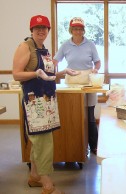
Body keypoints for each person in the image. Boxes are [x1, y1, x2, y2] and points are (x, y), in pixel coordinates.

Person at [12, 15, 67, 194]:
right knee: (43, 141)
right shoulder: (25, 46)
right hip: (34, 102)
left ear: (48, 30)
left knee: (39, 140)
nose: (41, 30)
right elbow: (17, 74)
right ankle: (46, 184)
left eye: (44, 28)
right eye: (37, 28)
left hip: (48, 101)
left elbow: (48, 75)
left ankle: (34, 176)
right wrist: (36, 74)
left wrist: (63, 72)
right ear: (31, 30)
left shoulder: (44, 49)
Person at [53, 17, 101, 155]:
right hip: (71, 81)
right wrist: (48, 68)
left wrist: (96, 69)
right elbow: (55, 61)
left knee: (90, 116)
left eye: (80, 29)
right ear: (71, 30)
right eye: (75, 29)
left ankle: (94, 146)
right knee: (72, 115)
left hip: (88, 81)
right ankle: (74, 146)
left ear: (83, 30)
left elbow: (97, 62)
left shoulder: (90, 44)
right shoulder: (65, 45)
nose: (78, 31)